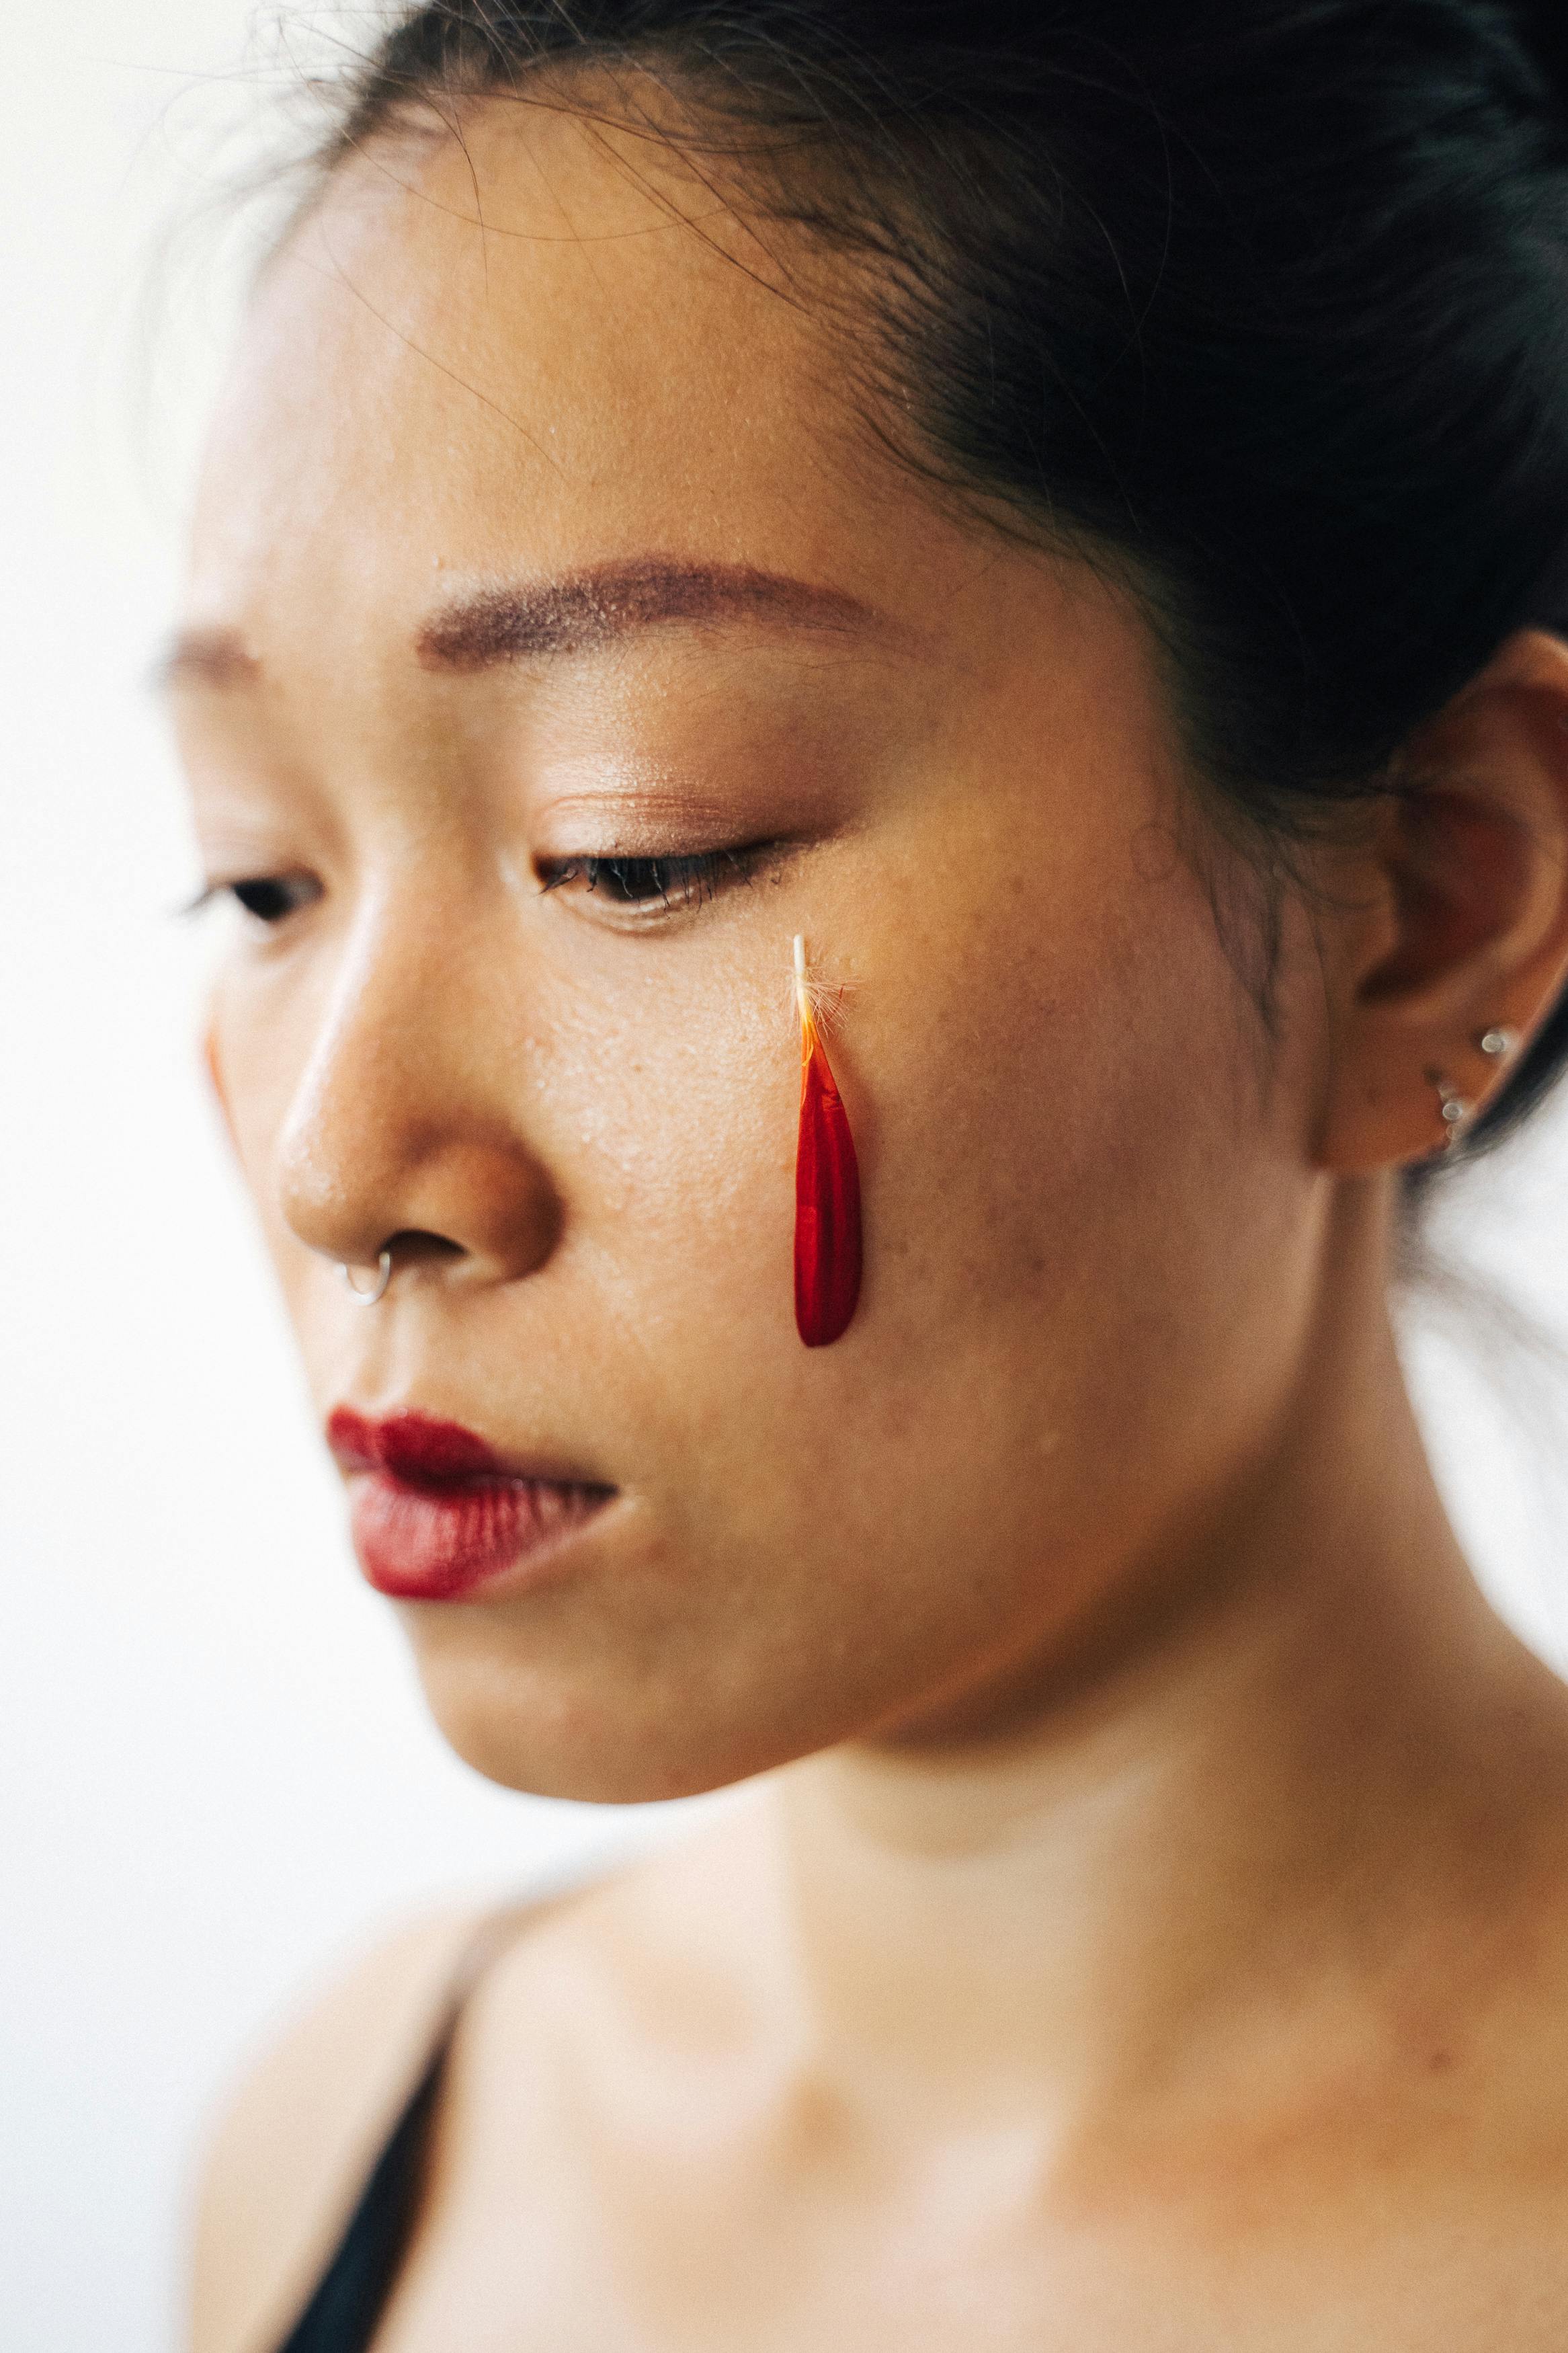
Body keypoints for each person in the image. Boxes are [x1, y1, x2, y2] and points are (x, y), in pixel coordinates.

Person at [172, 3, 1568, 2345]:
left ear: (1431, 903)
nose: (337, 1166)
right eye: (260, 881)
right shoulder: (335, 2145)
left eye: (636, 850)